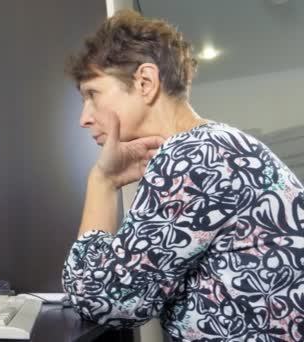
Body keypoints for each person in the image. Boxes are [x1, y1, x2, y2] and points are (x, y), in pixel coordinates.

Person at [61, 9, 304, 341]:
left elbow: (104, 299)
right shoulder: (217, 144)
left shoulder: (193, 156)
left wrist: (102, 181)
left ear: (145, 82)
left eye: (93, 94)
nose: (84, 118)